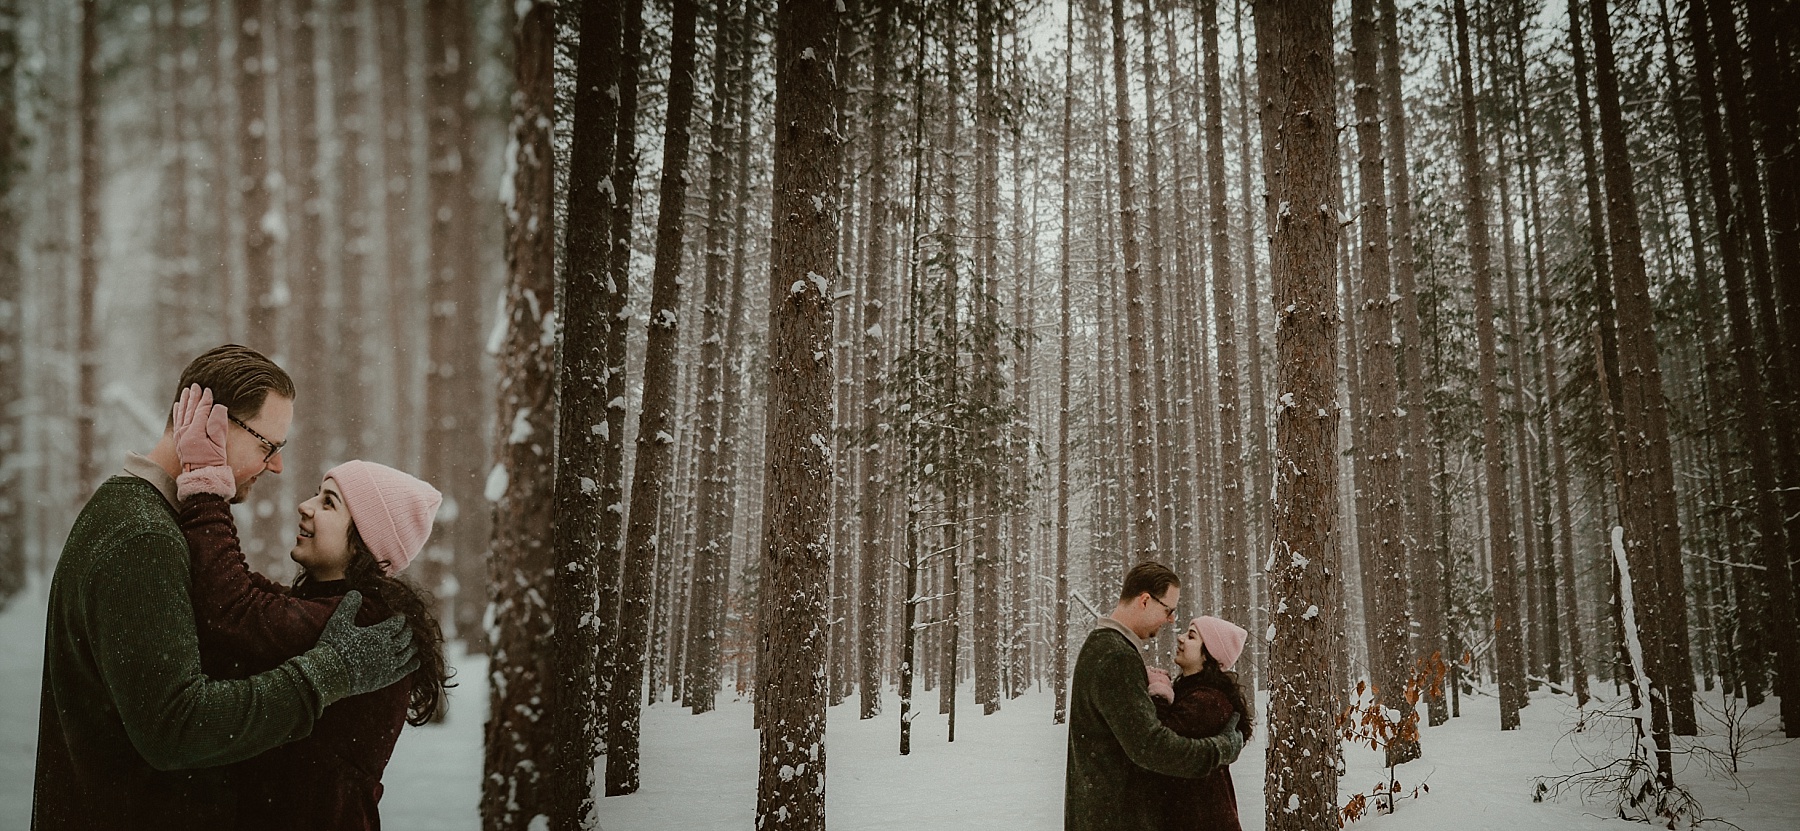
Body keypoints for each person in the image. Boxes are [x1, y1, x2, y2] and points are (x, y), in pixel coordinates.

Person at [33, 345, 419, 830]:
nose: (276, 466)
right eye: (267, 446)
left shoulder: (140, 518)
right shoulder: (144, 537)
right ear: (214, 427)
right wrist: (325, 674)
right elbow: (176, 728)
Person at [171, 384, 450, 829]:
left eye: (328, 503)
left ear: (364, 543)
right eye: (318, 494)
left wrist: (205, 487)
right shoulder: (326, 606)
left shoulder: (365, 621)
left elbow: (233, 609)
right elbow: (242, 592)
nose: (305, 506)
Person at [1065, 561, 1246, 831]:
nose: (1171, 620)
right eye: (1168, 610)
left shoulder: (1106, 647)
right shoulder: (1116, 656)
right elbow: (1153, 747)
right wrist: (1222, 749)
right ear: (1145, 601)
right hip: (1115, 819)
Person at [1149, 615, 1253, 831]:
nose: (1180, 638)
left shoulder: (1209, 701)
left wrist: (1159, 694)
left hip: (1203, 820)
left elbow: (1158, 739)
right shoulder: (1192, 692)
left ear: (1208, 655)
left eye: (1191, 636)